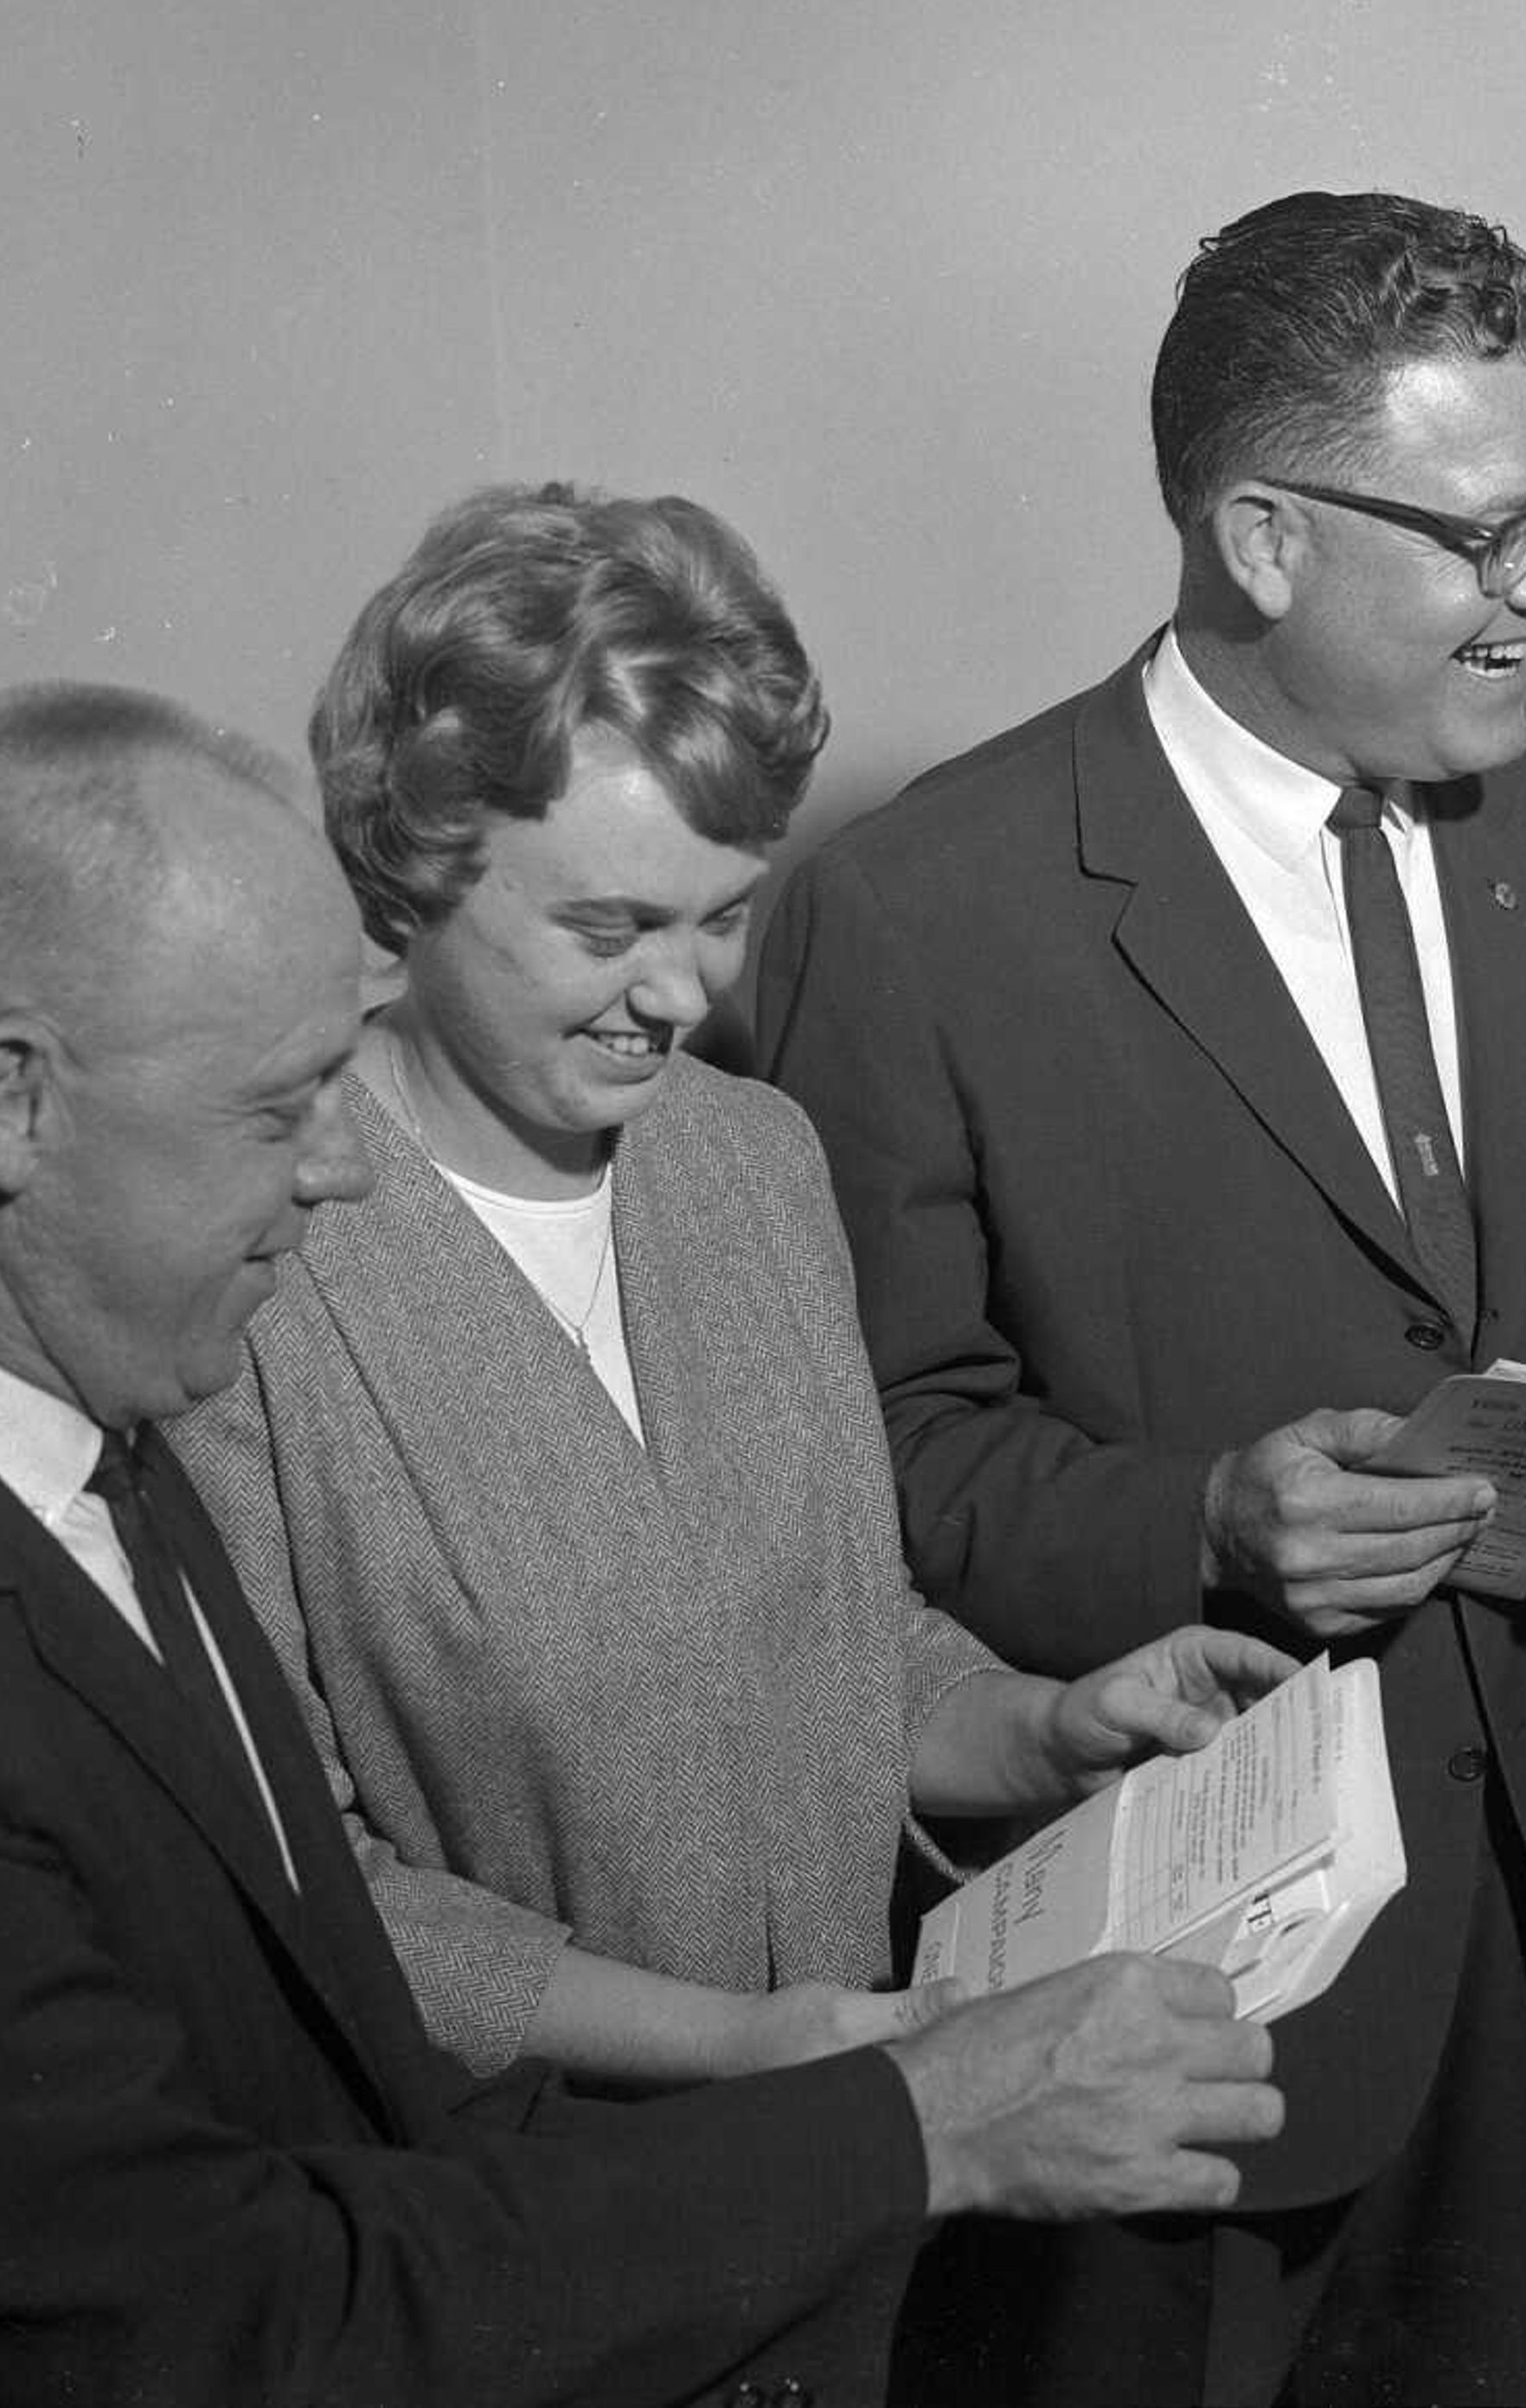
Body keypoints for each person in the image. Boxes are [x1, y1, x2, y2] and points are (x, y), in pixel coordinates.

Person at [0, 682, 1283, 2406]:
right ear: (12, 1107)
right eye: (282, 1105)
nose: (349, 1165)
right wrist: (914, 2122)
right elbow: (219, 2329)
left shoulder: (79, 1415)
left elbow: (329, 2046)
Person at [751, 189, 1526, 2407]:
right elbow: (863, 1479)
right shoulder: (919, 918)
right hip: (1174, 1990)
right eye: (1495, 537)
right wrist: (1207, 1521)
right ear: (1265, 540)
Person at [171, 481, 1290, 2096]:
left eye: (726, 916)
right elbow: (294, 1877)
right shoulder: (260, 1260)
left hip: (845, 2155)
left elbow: (836, 1646)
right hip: (524, 2202)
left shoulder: (751, 1161)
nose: (685, 994)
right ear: (406, 872)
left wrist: (1043, 1726)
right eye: (611, 926)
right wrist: (743, 2049)